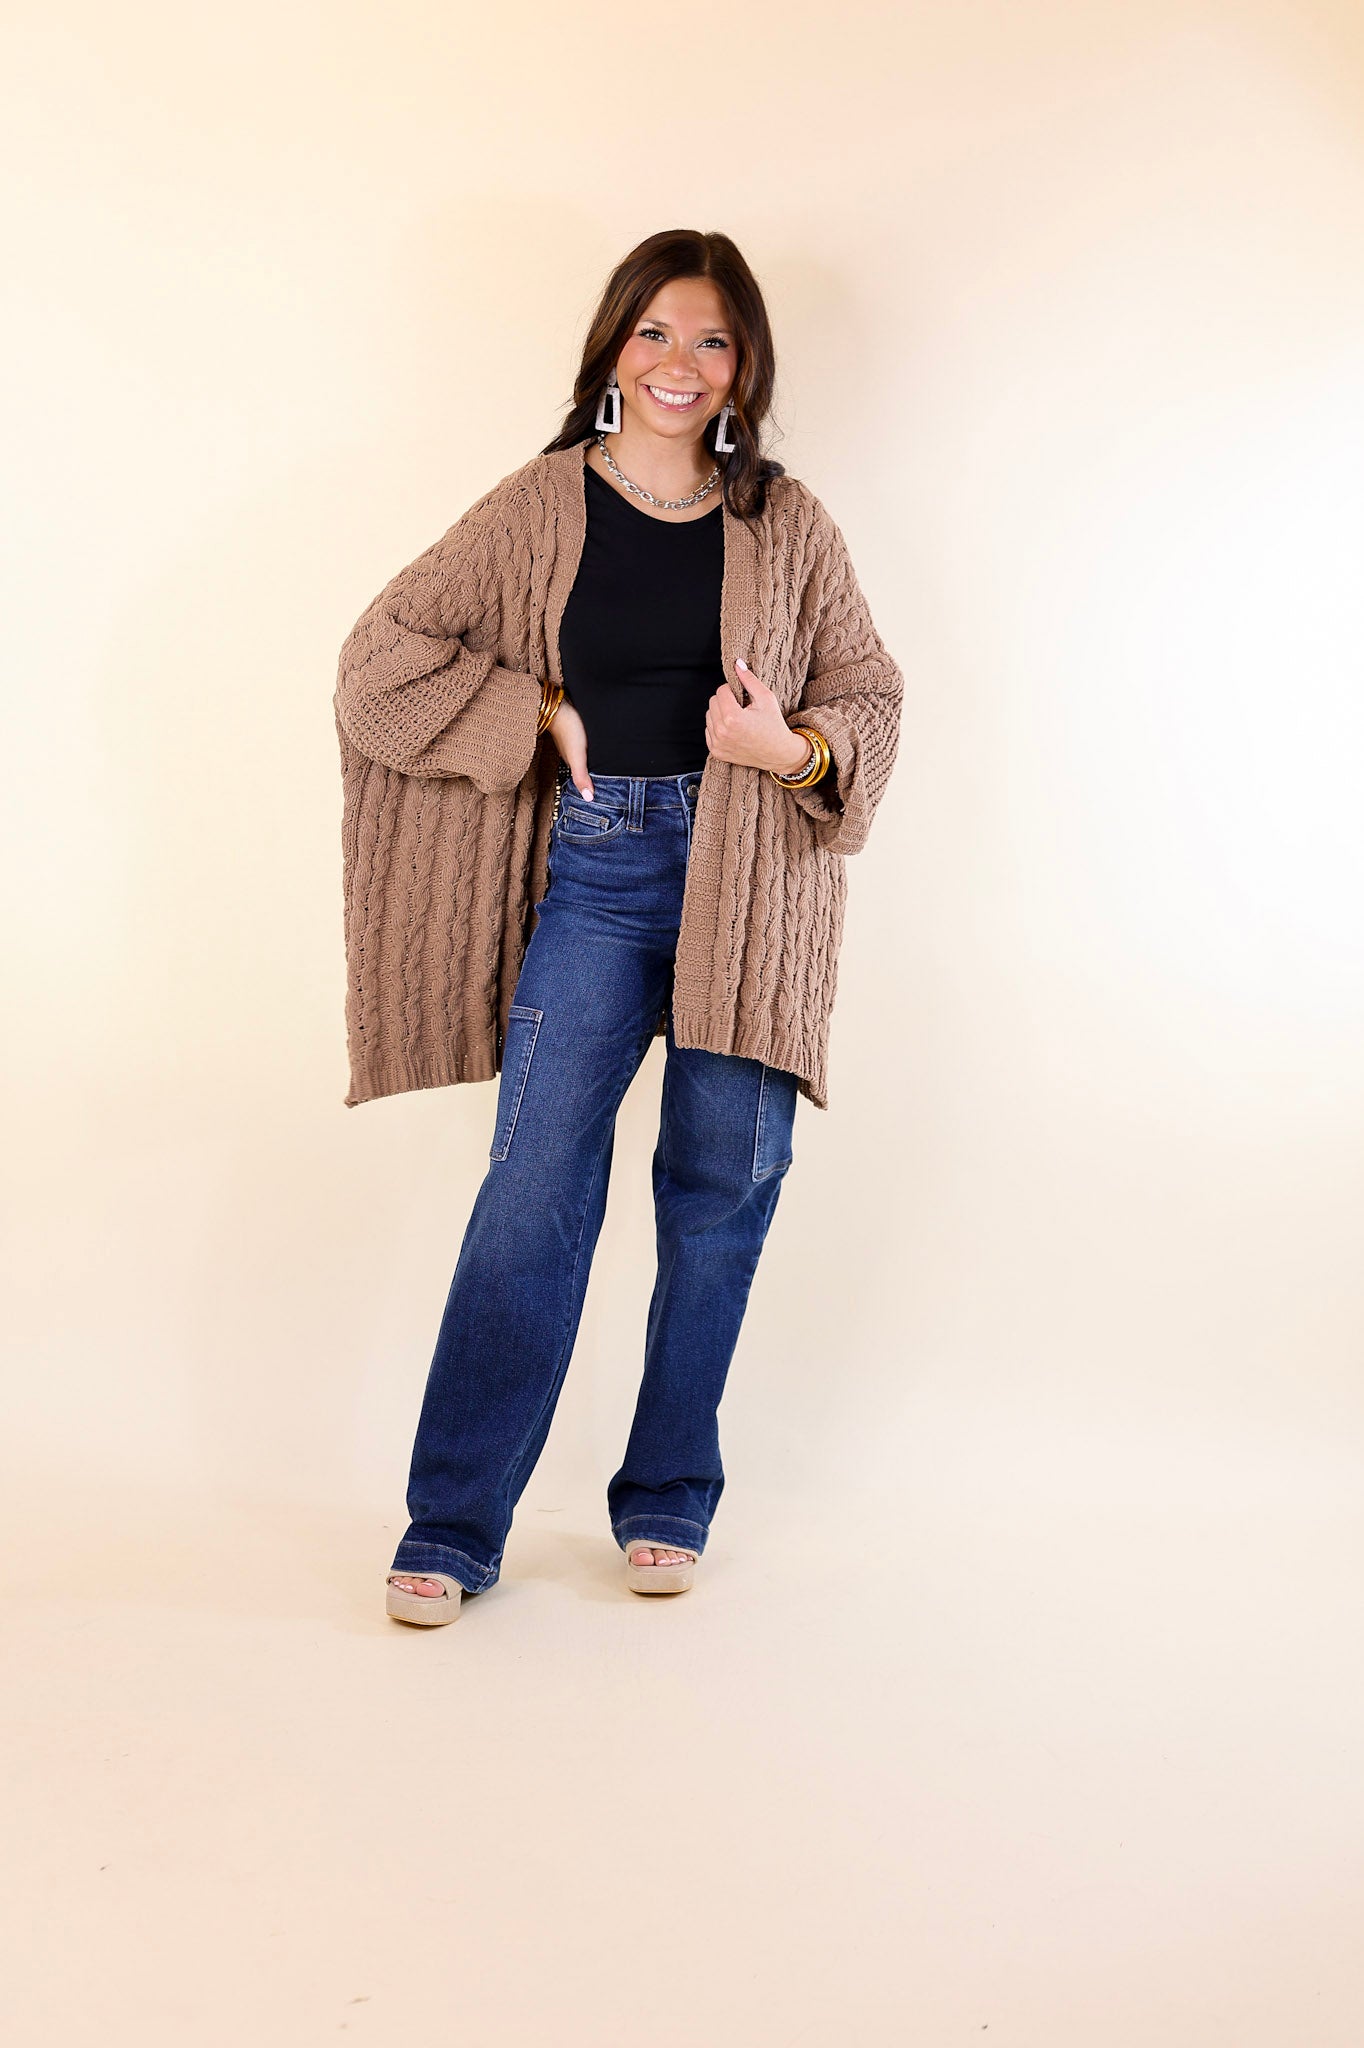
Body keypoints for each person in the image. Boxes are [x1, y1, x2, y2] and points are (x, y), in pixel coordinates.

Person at [332, 228, 905, 1626]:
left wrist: (788, 750)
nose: (679, 363)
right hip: (596, 870)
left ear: (744, 367)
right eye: (655, 332)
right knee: (532, 1191)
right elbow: (379, 661)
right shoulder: (540, 504)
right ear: (612, 347)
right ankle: (455, 1520)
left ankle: (668, 1495)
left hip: (749, 882)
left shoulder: (790, 523)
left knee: (719, 1195)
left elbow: (872, 695)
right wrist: (531, 710)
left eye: (711, 339)